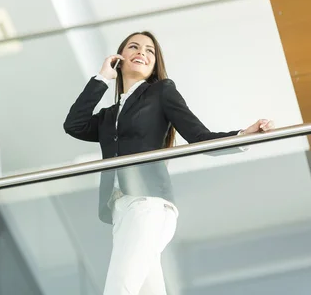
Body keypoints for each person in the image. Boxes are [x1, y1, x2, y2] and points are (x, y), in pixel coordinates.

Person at [63, 31, 274, 295]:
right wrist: (103, 77)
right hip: (120, 212)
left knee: (119, 290)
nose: (142, 52)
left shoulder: (161, 92)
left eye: (150, 50)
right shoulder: (108, 116)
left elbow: (199, 137)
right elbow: (74, 124)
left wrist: (244, 136)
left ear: (155, 64)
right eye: (134, 47)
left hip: (147, 204)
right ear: (120, 58)